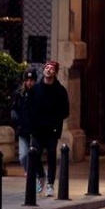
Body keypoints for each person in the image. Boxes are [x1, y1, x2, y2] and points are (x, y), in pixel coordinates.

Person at [30, 60, 69, 197]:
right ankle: (41, 175)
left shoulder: (60, 91)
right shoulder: (35, 89)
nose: (48, 70)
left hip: (52, 130)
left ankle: (50, 184)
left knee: (51, 157)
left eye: (51, 68)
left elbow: (65, 111)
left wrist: (55, 120)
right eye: (46, 67)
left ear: (55, 72)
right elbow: (28, 107)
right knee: (34, 155)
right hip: (37, 129)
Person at [10, 68, 44, 192]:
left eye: (32, 80)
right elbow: (14, 108)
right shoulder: (19, 94)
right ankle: (30, 173)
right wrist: (15, 118)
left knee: (34, 155)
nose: (29, 83)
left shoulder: (40, 94)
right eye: (27, 80)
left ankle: (37, 176)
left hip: (36, 131)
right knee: (23, 156)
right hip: (23, 130)